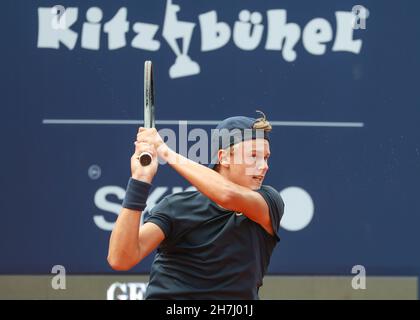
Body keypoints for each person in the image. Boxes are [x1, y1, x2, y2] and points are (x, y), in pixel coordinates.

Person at [107, 111, 285, 300]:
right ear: (223, 158)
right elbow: (121, 259)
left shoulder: (269, 201)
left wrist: (165, 151)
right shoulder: (175, 207)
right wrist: (139, 180)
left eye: (265, 157)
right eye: (254, 156)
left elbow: (227, 195)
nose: (264, 165)